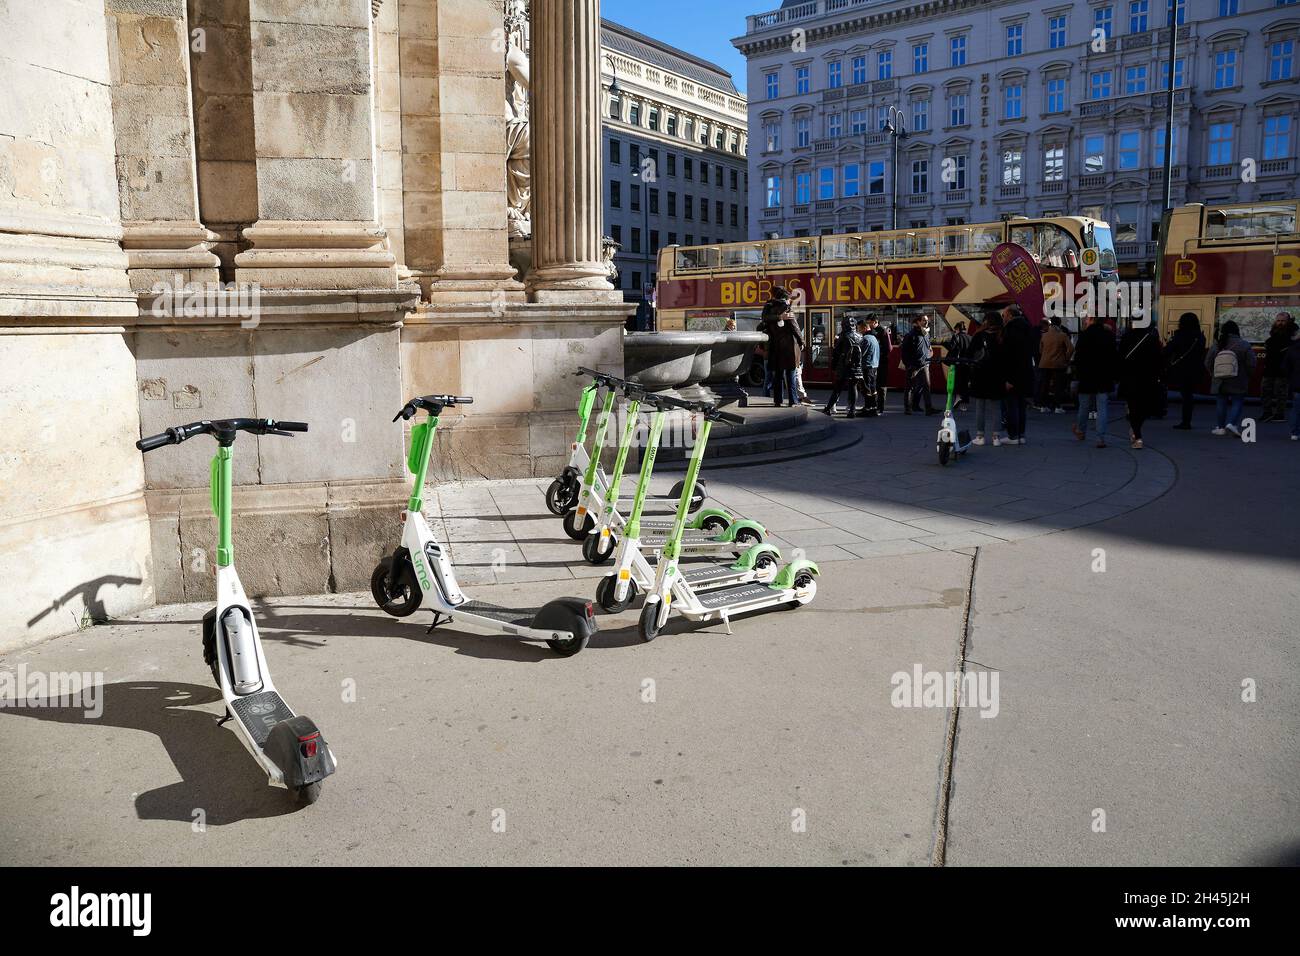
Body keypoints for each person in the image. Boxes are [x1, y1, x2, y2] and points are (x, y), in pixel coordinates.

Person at [1072, 314, 1118, 447]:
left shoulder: (1085, 335)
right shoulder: (1108, 335)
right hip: (1103, 377)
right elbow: (1113, 356)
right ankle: (1100, 437)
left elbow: (1078, 357)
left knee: (1084, 406)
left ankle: (1081, 430)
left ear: (1092, 319)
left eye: (1087, 318)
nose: (1085, 320)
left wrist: (1078, 374)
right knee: (1102, 407)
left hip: (1087, 376)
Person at [1205, 319, 1256, 436]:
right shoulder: (1244, 344)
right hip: (1238, 378)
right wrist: (1248, 375)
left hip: (1220, 379)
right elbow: (1251, 363)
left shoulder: (1217, 344)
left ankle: (1220, 427)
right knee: (1237, 401)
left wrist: (1213, 373)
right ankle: (1232, 423)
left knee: (1221, 402)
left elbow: (1207, 361)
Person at [1117, 321, 1163, 449]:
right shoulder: (1151, 338)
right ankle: (1136, 432)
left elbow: (1120, 357)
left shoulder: (1126, 337)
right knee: (1144, 408)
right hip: (1147, 378)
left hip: (1130, 377)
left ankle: (1137, 435)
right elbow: (1158, 359)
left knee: (1133, 406)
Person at [760, 288, 803, 408]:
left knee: (778, 376)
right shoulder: (786, 308)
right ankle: (793, 401)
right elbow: (794, 327)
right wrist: (802, 341)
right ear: (785, 298)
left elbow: (764, 319)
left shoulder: (768, 306)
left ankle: (778, 401)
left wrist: (778, 317)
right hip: (789, 347)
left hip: (775, 346)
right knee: (791, 375)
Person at [822, 317, 872, 417]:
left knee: (838, 388)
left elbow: (837, 352)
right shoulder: (860, 336)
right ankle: (852, 411)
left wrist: (834, 366)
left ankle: (828, 408)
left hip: (844, 366)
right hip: (856, 367)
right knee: (853, 388)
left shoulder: (844, 336)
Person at [1164, 312, 1207, 430]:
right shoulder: (1200, 337)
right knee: (1189, 396)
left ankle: (1185, 422)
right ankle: (1187, 420)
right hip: (1195, 369)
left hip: (1181, 369)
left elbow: (1168, 351)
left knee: (1186, 395)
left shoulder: (1180, 336)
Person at [999, 305, 1036, 444]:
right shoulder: (1027, 327)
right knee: (1021, 405)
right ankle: (1021, 434)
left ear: (1009, 315)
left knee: (1011, 405)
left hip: (1013, 374)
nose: (1003, 318)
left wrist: (1008, 378)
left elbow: (1009, 356)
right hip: (1025, 373)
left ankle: (1012, 435)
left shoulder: (1009, 330)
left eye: (1004, 316)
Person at [968, 310, 1004, 445]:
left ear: (986, 321)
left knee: (980, 406)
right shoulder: (1003, 335)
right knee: (996, 407)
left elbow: (970, 353)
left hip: (981, 375)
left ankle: (980, 436)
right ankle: (996, 438)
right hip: (998, 376)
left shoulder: (979, 335)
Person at [901, 313, 936, 415]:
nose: (926, 322)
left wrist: (929, 355)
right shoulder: (911, 335)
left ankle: (928, 408)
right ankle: (907, 408)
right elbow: (904, 352)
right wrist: (909, 364)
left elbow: (928, 347)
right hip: (914, 365)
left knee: (927, 386)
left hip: (924, 364)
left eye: (927, 320)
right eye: (924, 320)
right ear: (918, 322)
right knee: (909, 387)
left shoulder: (926, 334)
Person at [1260, 313, 1293, 423]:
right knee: (1265, 391)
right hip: (1269, 368)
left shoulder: (1291, 336)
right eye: (1278, 320)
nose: (1280, 323)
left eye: (1283, 321)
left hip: (1282, 370)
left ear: (1288, 322)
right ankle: (1267, 413)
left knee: (1281, 393)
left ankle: (1279, 414)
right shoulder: (1273, 334)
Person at [1036, 317, 1073, 413]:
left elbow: (1040, 349)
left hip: (1044, 363)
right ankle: (1058, 406)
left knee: (1045, 385)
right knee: (1058, 386)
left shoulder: (1044, 335)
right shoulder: (1063, 335)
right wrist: (1066, 358)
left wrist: (1045, 355)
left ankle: (1043, 406)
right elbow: (1071, 348)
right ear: (1060, 324)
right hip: (1058, 363)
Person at [943, 321, 972, 410]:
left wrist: (943, 342)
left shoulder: (957, 337)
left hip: (958, 363)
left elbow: (951, 347)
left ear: (957, 329)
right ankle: (963, 405)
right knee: (965, 383)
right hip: (967, 364)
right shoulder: (970, 338)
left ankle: (958, 398)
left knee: (956, 382)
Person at [865, 316, 891, 415]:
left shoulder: (883, 332)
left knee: (881, 385)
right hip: (874, 363)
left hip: (881, 362)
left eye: (870, 322)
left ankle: (880, 407)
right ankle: (872, 405)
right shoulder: (870, 332)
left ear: (875, 322)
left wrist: (878, 355)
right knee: (872, 385)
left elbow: (889, 348)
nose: (869, 325)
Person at [1285, 324, 1300, 441]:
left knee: (1296, 409)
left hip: (1297, 383)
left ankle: (1294, 433)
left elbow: (1285, 367)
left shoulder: (1292, 349)